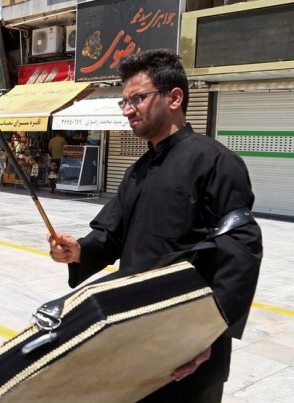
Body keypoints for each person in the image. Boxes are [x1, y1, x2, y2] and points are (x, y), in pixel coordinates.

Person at [48, 49, 262, 402]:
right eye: (124, 102)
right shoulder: (138, 170)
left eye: (138, 98)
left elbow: (241, 251)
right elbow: (110, 235)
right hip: (136, 329)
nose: (128, 109)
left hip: (189, 343)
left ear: (174, 97)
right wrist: (78, 250)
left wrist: (206, 335)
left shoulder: (216, 162)